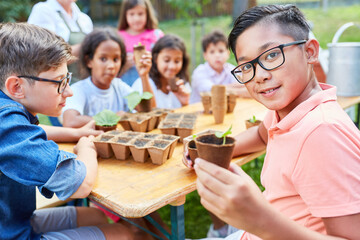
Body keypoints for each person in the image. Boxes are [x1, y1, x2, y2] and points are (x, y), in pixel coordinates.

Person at [186, 4, 360, 240]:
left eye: (271, 55)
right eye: (247, 66)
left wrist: (261, 220)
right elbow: (261, 135)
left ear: (309, 52)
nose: (260, 75)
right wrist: (213, 150)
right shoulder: (290, 112)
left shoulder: (321, 132)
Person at [0, 22, 133, 240]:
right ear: (17, 87)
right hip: (11, 235)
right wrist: (86, 148)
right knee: (122, 233)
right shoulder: (5, 125)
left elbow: (25, 131)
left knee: (95, 216)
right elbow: (80, 184)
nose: (69, 91)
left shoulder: (6, 112)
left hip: (14, 222)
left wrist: (76, 133)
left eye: (67, 79)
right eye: (60, 82)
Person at [62, 28, 155, 128]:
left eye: (115, 59)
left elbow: (148, 110)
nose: (111, 65)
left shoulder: (119, 87)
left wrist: (144, 75)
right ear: (89, 61)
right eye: (103, 59)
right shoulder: (79, 90)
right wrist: (114, 118)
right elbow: (70, 121)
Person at [28, 0, 94, 82]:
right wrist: (87, 46)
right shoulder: (43, 10)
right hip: (58, 84)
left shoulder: (84, 18)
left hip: (84, 82)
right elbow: (46, 58)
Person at [189, 30, 250, 104]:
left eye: (221, 51)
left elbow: (247, 87)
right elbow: (212, 92)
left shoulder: (231, 69)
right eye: (212, 52)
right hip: (200, 111)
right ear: (205, 55)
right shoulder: (199, 72)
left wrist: (221, 89)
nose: (217, 55)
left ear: (228, 53)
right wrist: (237, 89)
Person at [132, 34, 191, 109]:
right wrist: (144, 77)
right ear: (156, 59)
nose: (172, 67)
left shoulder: (182, 86)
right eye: (166, 60)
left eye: (177, 61)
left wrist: (185, 103)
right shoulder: (142, 84)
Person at [117, 0, 164, 86]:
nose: (136, 18)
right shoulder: (118, 37)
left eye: (140, 14)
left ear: (147, 14)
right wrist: (124, 66)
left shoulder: (156, 35)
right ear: (125, 15)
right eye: (132, 14)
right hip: (126, 86)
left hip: (152, 85)